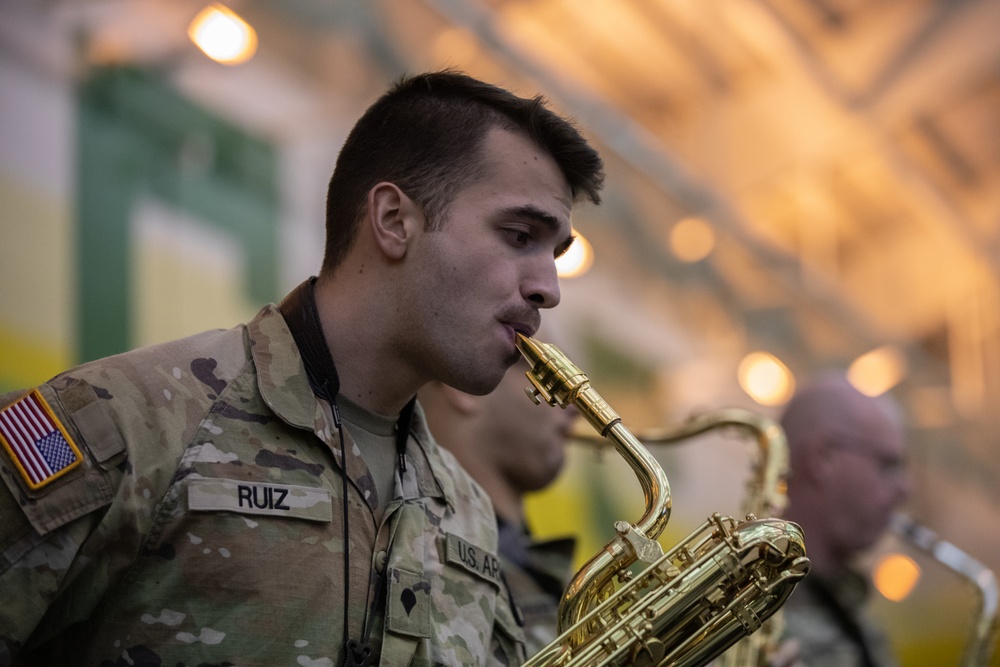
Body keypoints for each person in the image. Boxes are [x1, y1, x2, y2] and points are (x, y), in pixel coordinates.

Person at [0, 69, 604, 667]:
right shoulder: (120, 423)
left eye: (553, 254)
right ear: (394, 220)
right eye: (519, 234)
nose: (548, 289)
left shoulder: (468, 512)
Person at [418, 333, 580, 658]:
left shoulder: (531, 562)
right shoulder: (414, 555)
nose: (574, 406)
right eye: (545, 370)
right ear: (463, 385)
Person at [778, 372, 911, 667]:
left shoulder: (864, 627)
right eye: (888, 465)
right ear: (823, 457)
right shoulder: (721, 603)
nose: (905, 490)